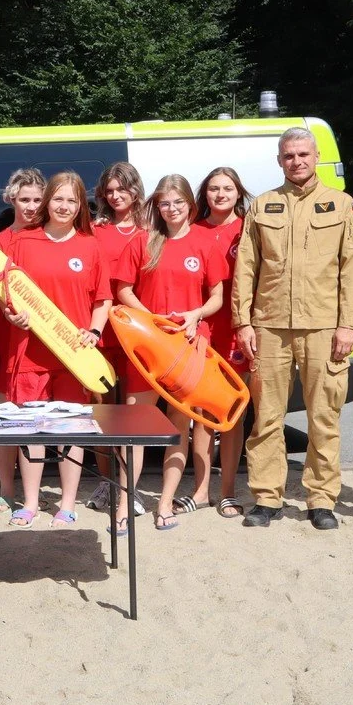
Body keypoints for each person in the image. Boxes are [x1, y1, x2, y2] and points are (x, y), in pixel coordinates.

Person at [231, 127, 353, 530]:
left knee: (324, 417)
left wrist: (348, 325)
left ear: (316, 156)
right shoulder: (262, 206)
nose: (297, 161)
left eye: (303, 154)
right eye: (289, 156)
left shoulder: (341, 205)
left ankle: (320, 500)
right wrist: (243, 321)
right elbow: (246, 268)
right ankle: (267, 497)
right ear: (279, 160)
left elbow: (352, 270)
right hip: (269, 326)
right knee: (266, 417)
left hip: (324, 326)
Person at [0, 171, 111, 528]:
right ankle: (31, 503)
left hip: (73, 356)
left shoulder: (90, 246)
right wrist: (11, 314)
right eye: (58, 199)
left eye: (71, 200)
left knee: (71, 428)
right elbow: (5, 293)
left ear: (80, 206)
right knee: (30, 428)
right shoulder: (22, 241)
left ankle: (67, 503)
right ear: (48, 202)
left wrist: (95, 331)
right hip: (29, 354)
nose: (64, 206)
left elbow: (103, 299)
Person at [114, 175, 227, 532]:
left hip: (189, 348)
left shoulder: (205, 243)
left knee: (179, 427)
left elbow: (217, 297)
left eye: (178, 202)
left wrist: (196, 314)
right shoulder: (142, 241)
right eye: (165, 203)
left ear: (190, 205)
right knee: (135, 426)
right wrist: (151, 319)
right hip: (148, 347)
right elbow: (123, 290)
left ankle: (165, 503)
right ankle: (124, 504)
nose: (172, 209)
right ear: (157, 206)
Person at [86, 162, 150, 518]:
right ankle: (106, 482)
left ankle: (130, 488)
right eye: (109, 191)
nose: (114, 196)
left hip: (137, 333)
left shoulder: (150, 230)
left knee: (132, 412)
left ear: (134, 189)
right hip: (101, 330)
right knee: (102, 410)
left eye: (121, 189)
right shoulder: (95, 229)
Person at [0, 167, 45, 515]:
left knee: (36, 422)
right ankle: (6, 490)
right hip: (6, 344)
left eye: (37, 200)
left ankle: (34, 494)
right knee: (4, 420)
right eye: (25, 199)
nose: (31, 206)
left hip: (42, 347)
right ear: (11, 199)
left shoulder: (51, 238)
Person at [195, 166, 252, 518]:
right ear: (205, 193)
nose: (220, 194)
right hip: (201, 331)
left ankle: (228, 491)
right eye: (214, 188)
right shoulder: (193, 229)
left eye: (227, 188)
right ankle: (201, 490)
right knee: (201, 413)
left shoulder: (248, 228)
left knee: (232, 413)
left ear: (238, 193)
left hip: (235, 330)